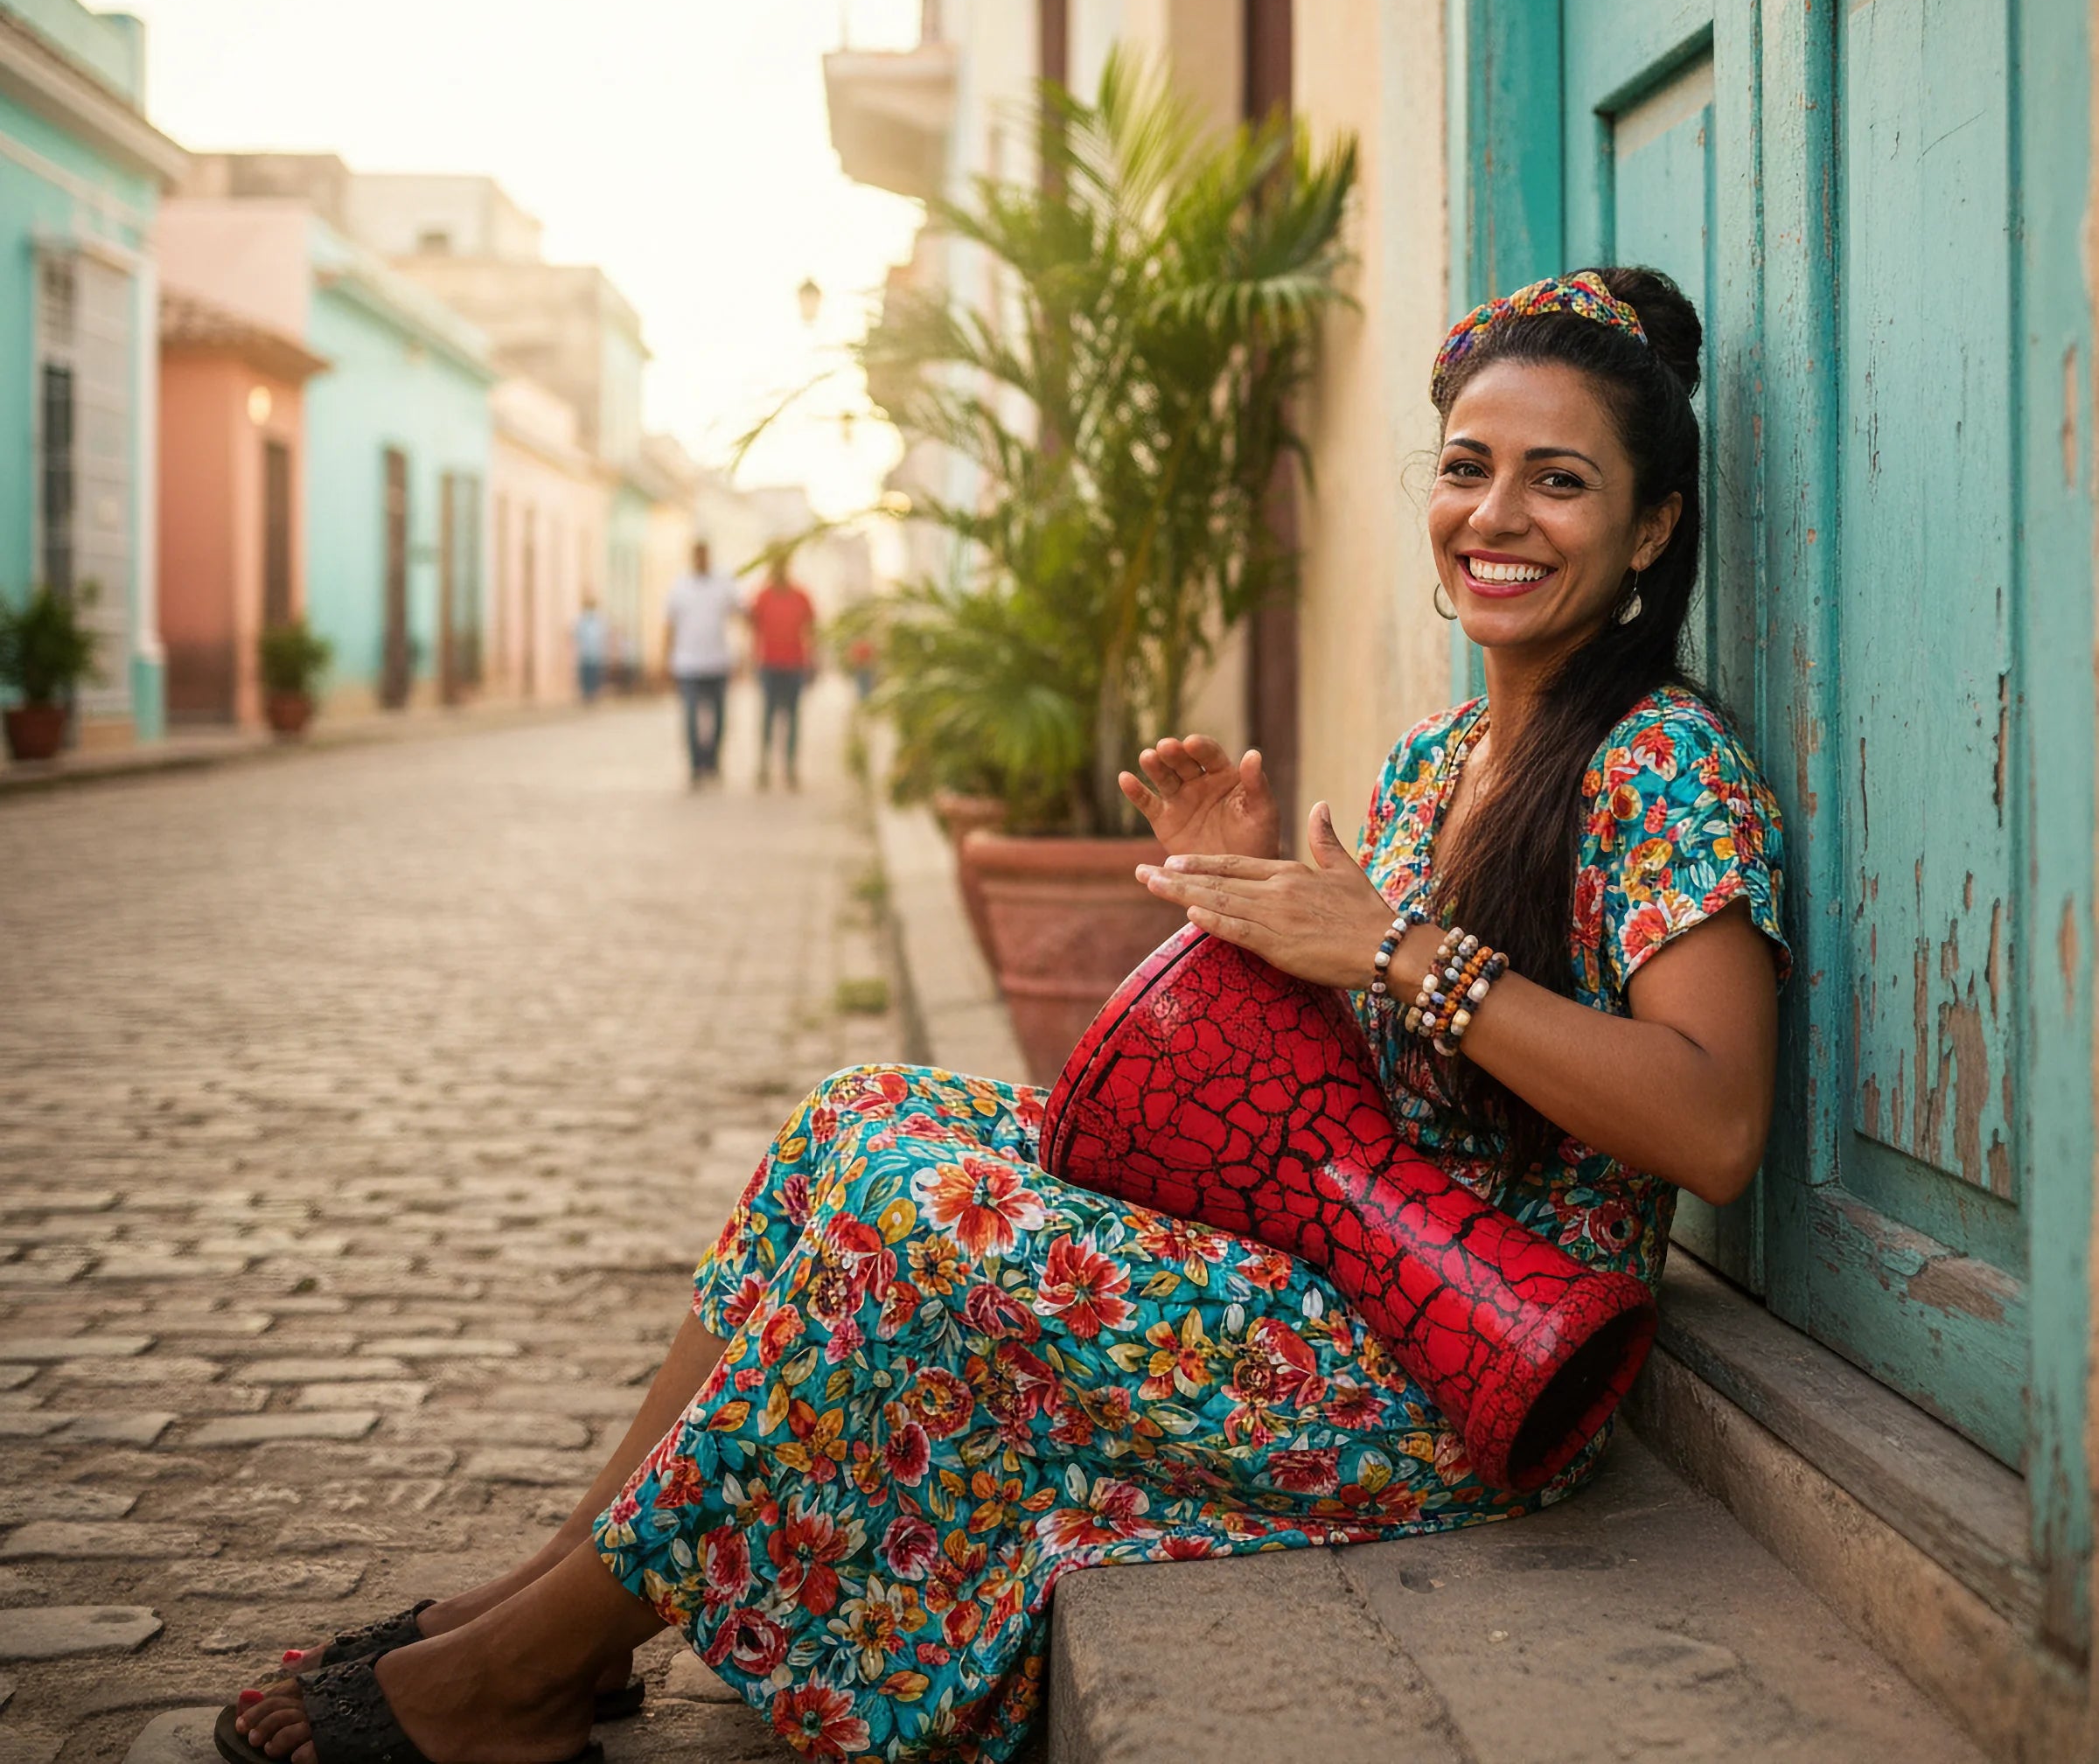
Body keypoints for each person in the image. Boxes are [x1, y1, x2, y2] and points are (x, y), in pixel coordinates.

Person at [225, 267, 1786, 1764]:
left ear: (1651, 525)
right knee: (858, 1122)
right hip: (1344, 1265)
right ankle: (568, 1600)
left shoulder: (1661, 767)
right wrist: (1249, 905)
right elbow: (1368, 1086)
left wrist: (1392, 948)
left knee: (930, 1217)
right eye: (1466, 467)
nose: (1495, 517)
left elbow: (1712, 1123)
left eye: (1558, 483)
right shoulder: (1438, 760)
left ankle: (516, 1672)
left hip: (1471, 1355)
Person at [662, 540, 741, 784]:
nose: (701, 560)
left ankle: (712, 761)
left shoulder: (723, 584)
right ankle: (696, 765)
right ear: (692, 557)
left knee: (719, 719)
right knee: (691, 719)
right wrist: (666, 657)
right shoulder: (679, 586)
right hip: (687, 663)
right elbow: (669, 624)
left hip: (717, 662)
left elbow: (740, 612)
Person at [747, 553, 817, 790]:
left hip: (795, 664)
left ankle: (790, 767)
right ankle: (764, 766)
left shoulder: (801, 596)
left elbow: (812, 628)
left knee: (793, 717)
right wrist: (752, 658)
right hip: (768, 665)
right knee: (767, 717)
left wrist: (813, 659)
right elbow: (752, 627)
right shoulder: (762, 596)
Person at [572, 596, 606, 704]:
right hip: (585, 652)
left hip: (595, 652)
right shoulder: (582, 619)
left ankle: (593, 693)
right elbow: (577, 633)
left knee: (594, 674)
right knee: (585, 674)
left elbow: (602, 635)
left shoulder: (599, 620)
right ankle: (586, 694)